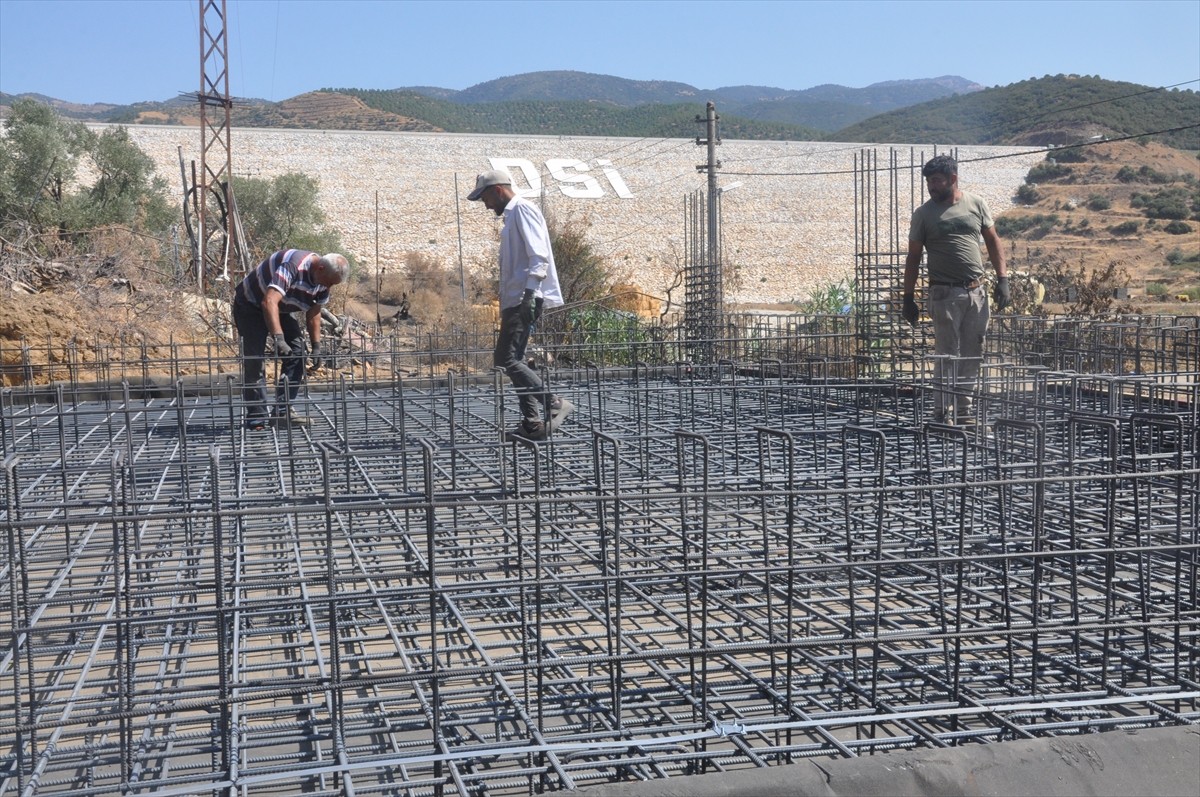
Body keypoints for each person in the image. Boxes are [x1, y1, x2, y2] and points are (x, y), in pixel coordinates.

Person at [903, 155, 1010, 424]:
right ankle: (941, 413)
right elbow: (913, 257)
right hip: (943, 294)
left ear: (953, 179)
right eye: (929, 182)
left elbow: (993, 241)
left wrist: (1002, 279)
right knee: (946, 354)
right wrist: (908, 297)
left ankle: (964, 411)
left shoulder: (976, 204)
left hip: (976, 292)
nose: (932, 187)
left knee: (973, 353)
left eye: (937, 181)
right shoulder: (924, 214)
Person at [468, 168, 573, 440]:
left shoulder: (523, 211)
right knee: (517, 359)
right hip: (517, 298)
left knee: (505, 359)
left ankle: (554, 403)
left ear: (498, 190)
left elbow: (538, 256)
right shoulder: (512, 216)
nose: (485, 204)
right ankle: (531, 422)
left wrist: (529, 295)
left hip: (524, 297)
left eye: (485, 197)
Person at [232, 249, 348, 430]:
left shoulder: (325, 281)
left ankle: (282, 412)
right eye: (328, 282)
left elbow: (314, 313)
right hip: (251, 304)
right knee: (255, 361)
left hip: (281, 309)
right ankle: (256, 418)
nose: (329, 287)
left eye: (333, 284)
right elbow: (268, 301)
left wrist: (316, 346)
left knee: (298, 352)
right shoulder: (294, 265)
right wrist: (278, 338)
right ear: (320, 268)